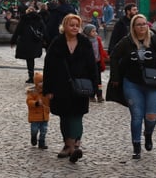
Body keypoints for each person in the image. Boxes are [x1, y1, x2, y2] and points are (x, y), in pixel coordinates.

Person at [108, 13, 156, 160]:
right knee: (136, 116)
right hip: (132, 83)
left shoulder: (155, 39)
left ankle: (148, 134)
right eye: (139, 24)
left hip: (153, 83)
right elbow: (114, 56)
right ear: (133, 27)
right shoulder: (127, 41)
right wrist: (115, 76)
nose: (142, 27)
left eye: (144, 24)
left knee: (151, 117)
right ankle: (136, 146)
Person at [42, 13, 99, 163]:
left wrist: (95, 86)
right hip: (60, 86)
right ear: (64, 26)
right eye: (71, 25)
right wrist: (47, 90)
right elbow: (48, 67)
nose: (74, 28)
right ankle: (68, 145)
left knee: (76, 115)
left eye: (77, 25)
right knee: (65, 116)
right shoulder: (57, 43)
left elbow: (92, 66)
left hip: (81, 85)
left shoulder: (84, 43)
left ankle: (73, 147)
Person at [12, 6, 46, 83]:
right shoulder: (38, 19)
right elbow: (44, 29)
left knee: (29, 59)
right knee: (32, 58)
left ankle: (31, 76)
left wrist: (13, 41)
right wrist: (46, 40)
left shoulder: (24, 19)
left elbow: (18, 31)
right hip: (35, 42)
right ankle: (33, 76)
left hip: (26, 42)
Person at [82, 23, 108, 102]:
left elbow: (101, 50)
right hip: (89, 64)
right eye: (93, 31)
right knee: (91, 79)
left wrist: (105, 56)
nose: (95, 33)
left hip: (98, 62)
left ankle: (99, 95)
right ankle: (91, 95)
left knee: (99, 80)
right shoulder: (84, 41)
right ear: (87, 32)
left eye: (95, 31)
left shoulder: (98, 39)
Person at [26, 71, 50, 150]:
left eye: (43, 81)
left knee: (44, 130)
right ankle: (33, 137)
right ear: (36, 83)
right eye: (40, 82)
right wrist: (36, 103)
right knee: (34, 130)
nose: (42, 83)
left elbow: (48, 102)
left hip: (44, 116)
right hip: (35, 117)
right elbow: (29, 102)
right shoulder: (33, 92)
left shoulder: (46, 92)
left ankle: (41, 143)